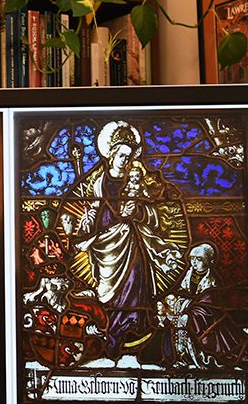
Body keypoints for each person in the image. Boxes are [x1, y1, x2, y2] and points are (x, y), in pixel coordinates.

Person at [66, 120, 185, 360]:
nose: (125, 160)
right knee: (108, 293)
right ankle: (110, 334)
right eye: (121, 155)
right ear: (110, 154)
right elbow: (92, 213)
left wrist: (138, 212)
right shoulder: (97, 183)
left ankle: (134, 333)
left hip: (131, 242)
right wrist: (86, 224)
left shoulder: (138, 181)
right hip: (104, 247)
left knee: (135, 285)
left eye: (129, 156)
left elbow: (158, 216)